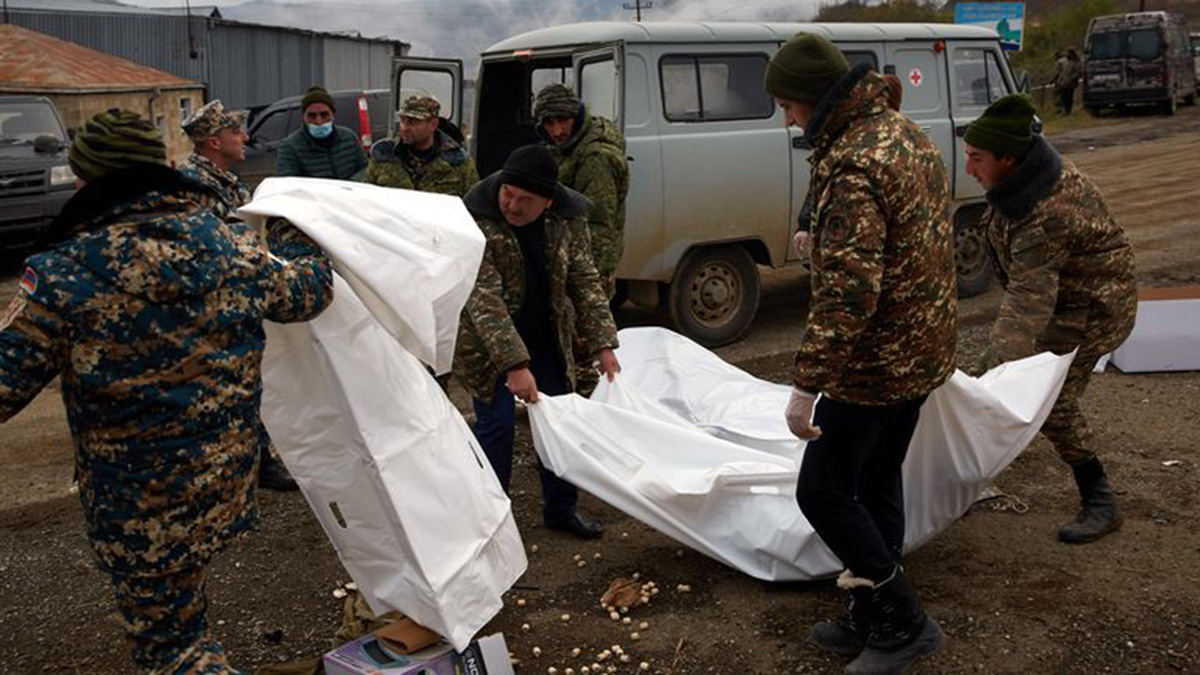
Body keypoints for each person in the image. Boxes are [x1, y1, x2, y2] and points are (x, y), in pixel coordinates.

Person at [0, 109, 333, 673]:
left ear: (91, 182)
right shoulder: (232, 247)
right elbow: (308, 292)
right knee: (185, 617)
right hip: (222, 486)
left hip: (140, 508)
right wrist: (304, 239)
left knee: (173, 652)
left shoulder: (63, 273)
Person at [766, 34, 956, 673]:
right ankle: (872, 609)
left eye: (789, 106)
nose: (787, 119)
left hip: (874, 361)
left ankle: (903, 622)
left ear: (816, 101)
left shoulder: (852, 161)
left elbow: (850, 291)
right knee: (875, 480)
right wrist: (816, 229)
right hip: (922, 345)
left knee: (821, 492)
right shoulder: (901, 131)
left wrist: (806, 385)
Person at [964, 94, 1136, 544]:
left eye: (976, 158)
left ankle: (1100, 498)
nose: (968, 169)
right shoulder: (1019, 183)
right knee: (1008, 379)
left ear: (1008, 157)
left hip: (1092, 308)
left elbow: (1029, 299)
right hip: (1060, 300)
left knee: (1051, 401)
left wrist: (991, 366)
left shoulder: (1048, 211)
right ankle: (968, 474)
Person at [454, 144, 620, 540]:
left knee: (559, 424)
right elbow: (484, 299)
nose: (511, 205)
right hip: (487, 344)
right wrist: (514, 365)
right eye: (507, 193)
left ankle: (561, 509)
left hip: (546, 336)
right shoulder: (476, 218)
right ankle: (491, 523)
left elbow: (583, 279)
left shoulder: (567, 219)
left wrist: (603, 343)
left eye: (524, 200)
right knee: (497, 428)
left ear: (548, 202)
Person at [179, 99, 302, 492]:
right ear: (214, 142)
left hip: (235, 300)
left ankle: (258, 461)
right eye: (236, 132)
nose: (245, 137)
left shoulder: (224, 180)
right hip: (211, 305)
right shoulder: (194, 187)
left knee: (245, 382)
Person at [533, 83, 629, 298]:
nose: (557, 131)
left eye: (563, 120)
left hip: (587, 269)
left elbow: (599, 223)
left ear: (576, 116)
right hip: (568, 260)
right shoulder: (567, 147)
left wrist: (589, 276)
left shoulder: (595, 157)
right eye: (549, 123)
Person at [364, 94, 478, 196]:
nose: (405, 128)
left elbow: (474, 205)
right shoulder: (384, 156)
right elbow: (365, 200)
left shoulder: (457, 161)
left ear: (433, 124)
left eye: (413, 122)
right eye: (403, 120)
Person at [275, 85, 368, 180]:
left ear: (333, 114)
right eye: (312, 116)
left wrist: (349, 185)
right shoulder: (290, 148)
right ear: (304, 117)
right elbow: (286, 186)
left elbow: (365, 169)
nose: (319, 121)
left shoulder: (349, 138)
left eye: (324, 115)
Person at [1052, 48, 1083, 116]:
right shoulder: (1064, 61)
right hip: (1063, 82)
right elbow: (1061, 72)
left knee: (1069, 97)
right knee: (1063, 97)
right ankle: (1065, 110)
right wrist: (1058, 79)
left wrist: (1072, 78)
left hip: (1070, 83)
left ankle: (1068, 110)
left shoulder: (1076, 62)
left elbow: (1078, 72)